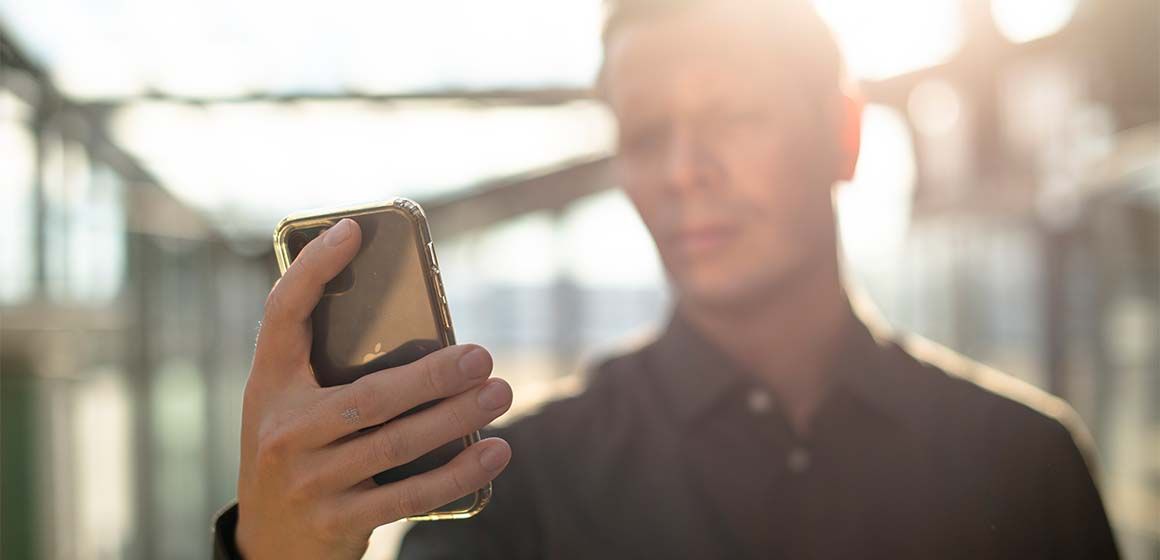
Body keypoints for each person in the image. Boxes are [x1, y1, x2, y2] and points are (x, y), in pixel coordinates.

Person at [214, 0, 1120, 558]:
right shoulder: (519, 489)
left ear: (843, 135)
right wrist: (279, 555)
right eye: (646, 136)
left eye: (731, 116)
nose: (683, 170)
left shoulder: (1026, 466)